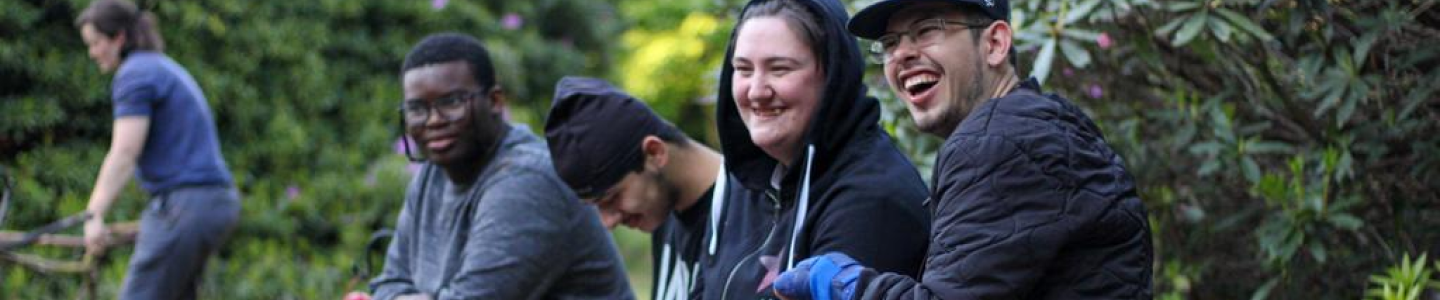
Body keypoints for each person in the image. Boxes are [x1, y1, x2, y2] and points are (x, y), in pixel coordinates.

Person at [774, 0, 1155, 299]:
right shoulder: (1031, 126)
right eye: (890, 43)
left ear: (995, 43)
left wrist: (843, 283)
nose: (901, 54)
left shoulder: (999, 141)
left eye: (926, 30)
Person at [368, 33, 632, 300]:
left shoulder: (527, 181)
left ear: (495, 101)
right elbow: (387, 285)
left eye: (452, 102)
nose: (433, 120)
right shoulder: (430, 177)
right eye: (417, 108)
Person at [704, 0, 933, 299]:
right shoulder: (744, 183)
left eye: (779, 69)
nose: (757, 91)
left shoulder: (873, 198)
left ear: (833, 74)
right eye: (744, 69)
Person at [74, 1, 241, 299]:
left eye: (97, 43)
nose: (92, 52)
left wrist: (94, 215)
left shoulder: (134, 75)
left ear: (119, 38)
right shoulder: (158, 66)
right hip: (211, 203)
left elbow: (125, 152)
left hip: (186, 205)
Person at [544, 76, 728, 300]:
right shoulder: (662, 208)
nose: (607, 222)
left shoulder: (749, 214)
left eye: (612, 198)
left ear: (654, 153)